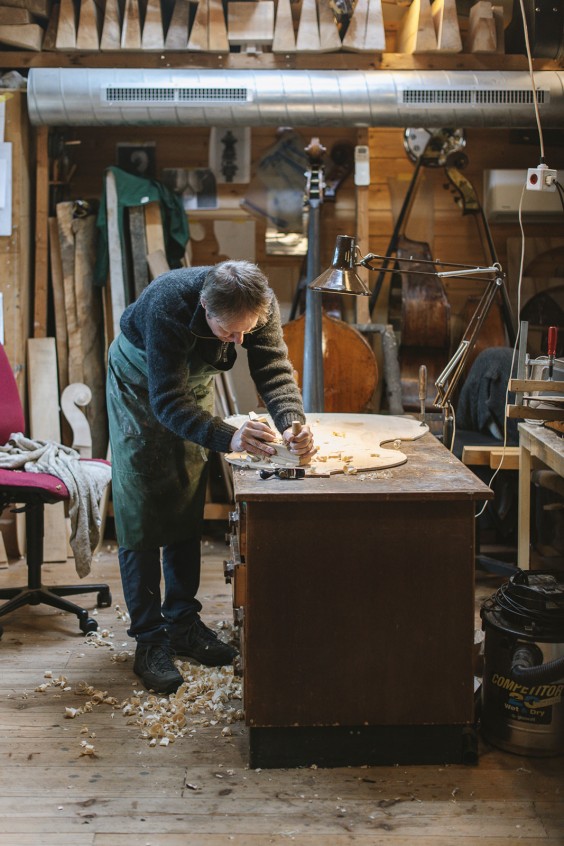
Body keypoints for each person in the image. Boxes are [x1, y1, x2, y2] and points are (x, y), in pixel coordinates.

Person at [106, 260, 315, 695]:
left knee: (186, 495)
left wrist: (294, 421)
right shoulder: (168, 303)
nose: (240, 341)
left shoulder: (258, 304)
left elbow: (273, 369)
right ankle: (149, 641)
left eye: (246, 331)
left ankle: (182, 623)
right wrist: (229, 435)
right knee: (142, 506)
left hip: (189, 385)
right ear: (204, 306)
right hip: (140, 382)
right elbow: (166, 400)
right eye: (229, 333)